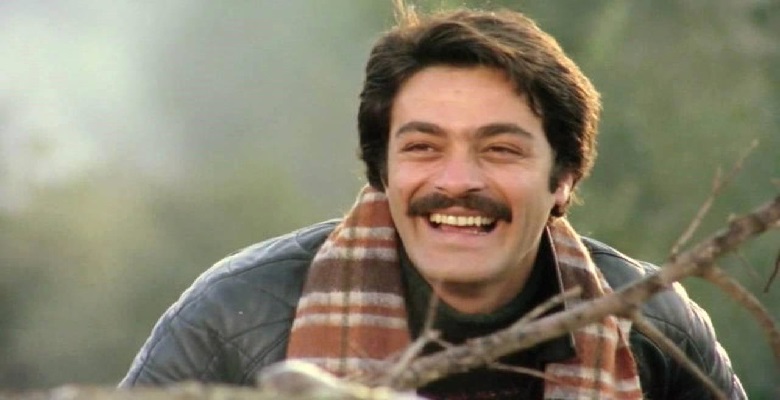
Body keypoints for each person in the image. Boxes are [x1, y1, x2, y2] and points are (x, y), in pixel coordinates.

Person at [119, 3, 746, 399]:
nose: (457, 180)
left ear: (562, 180)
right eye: (423, 147)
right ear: (382, 173)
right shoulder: (241, 316)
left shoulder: (650, 326)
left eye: (500, 149)